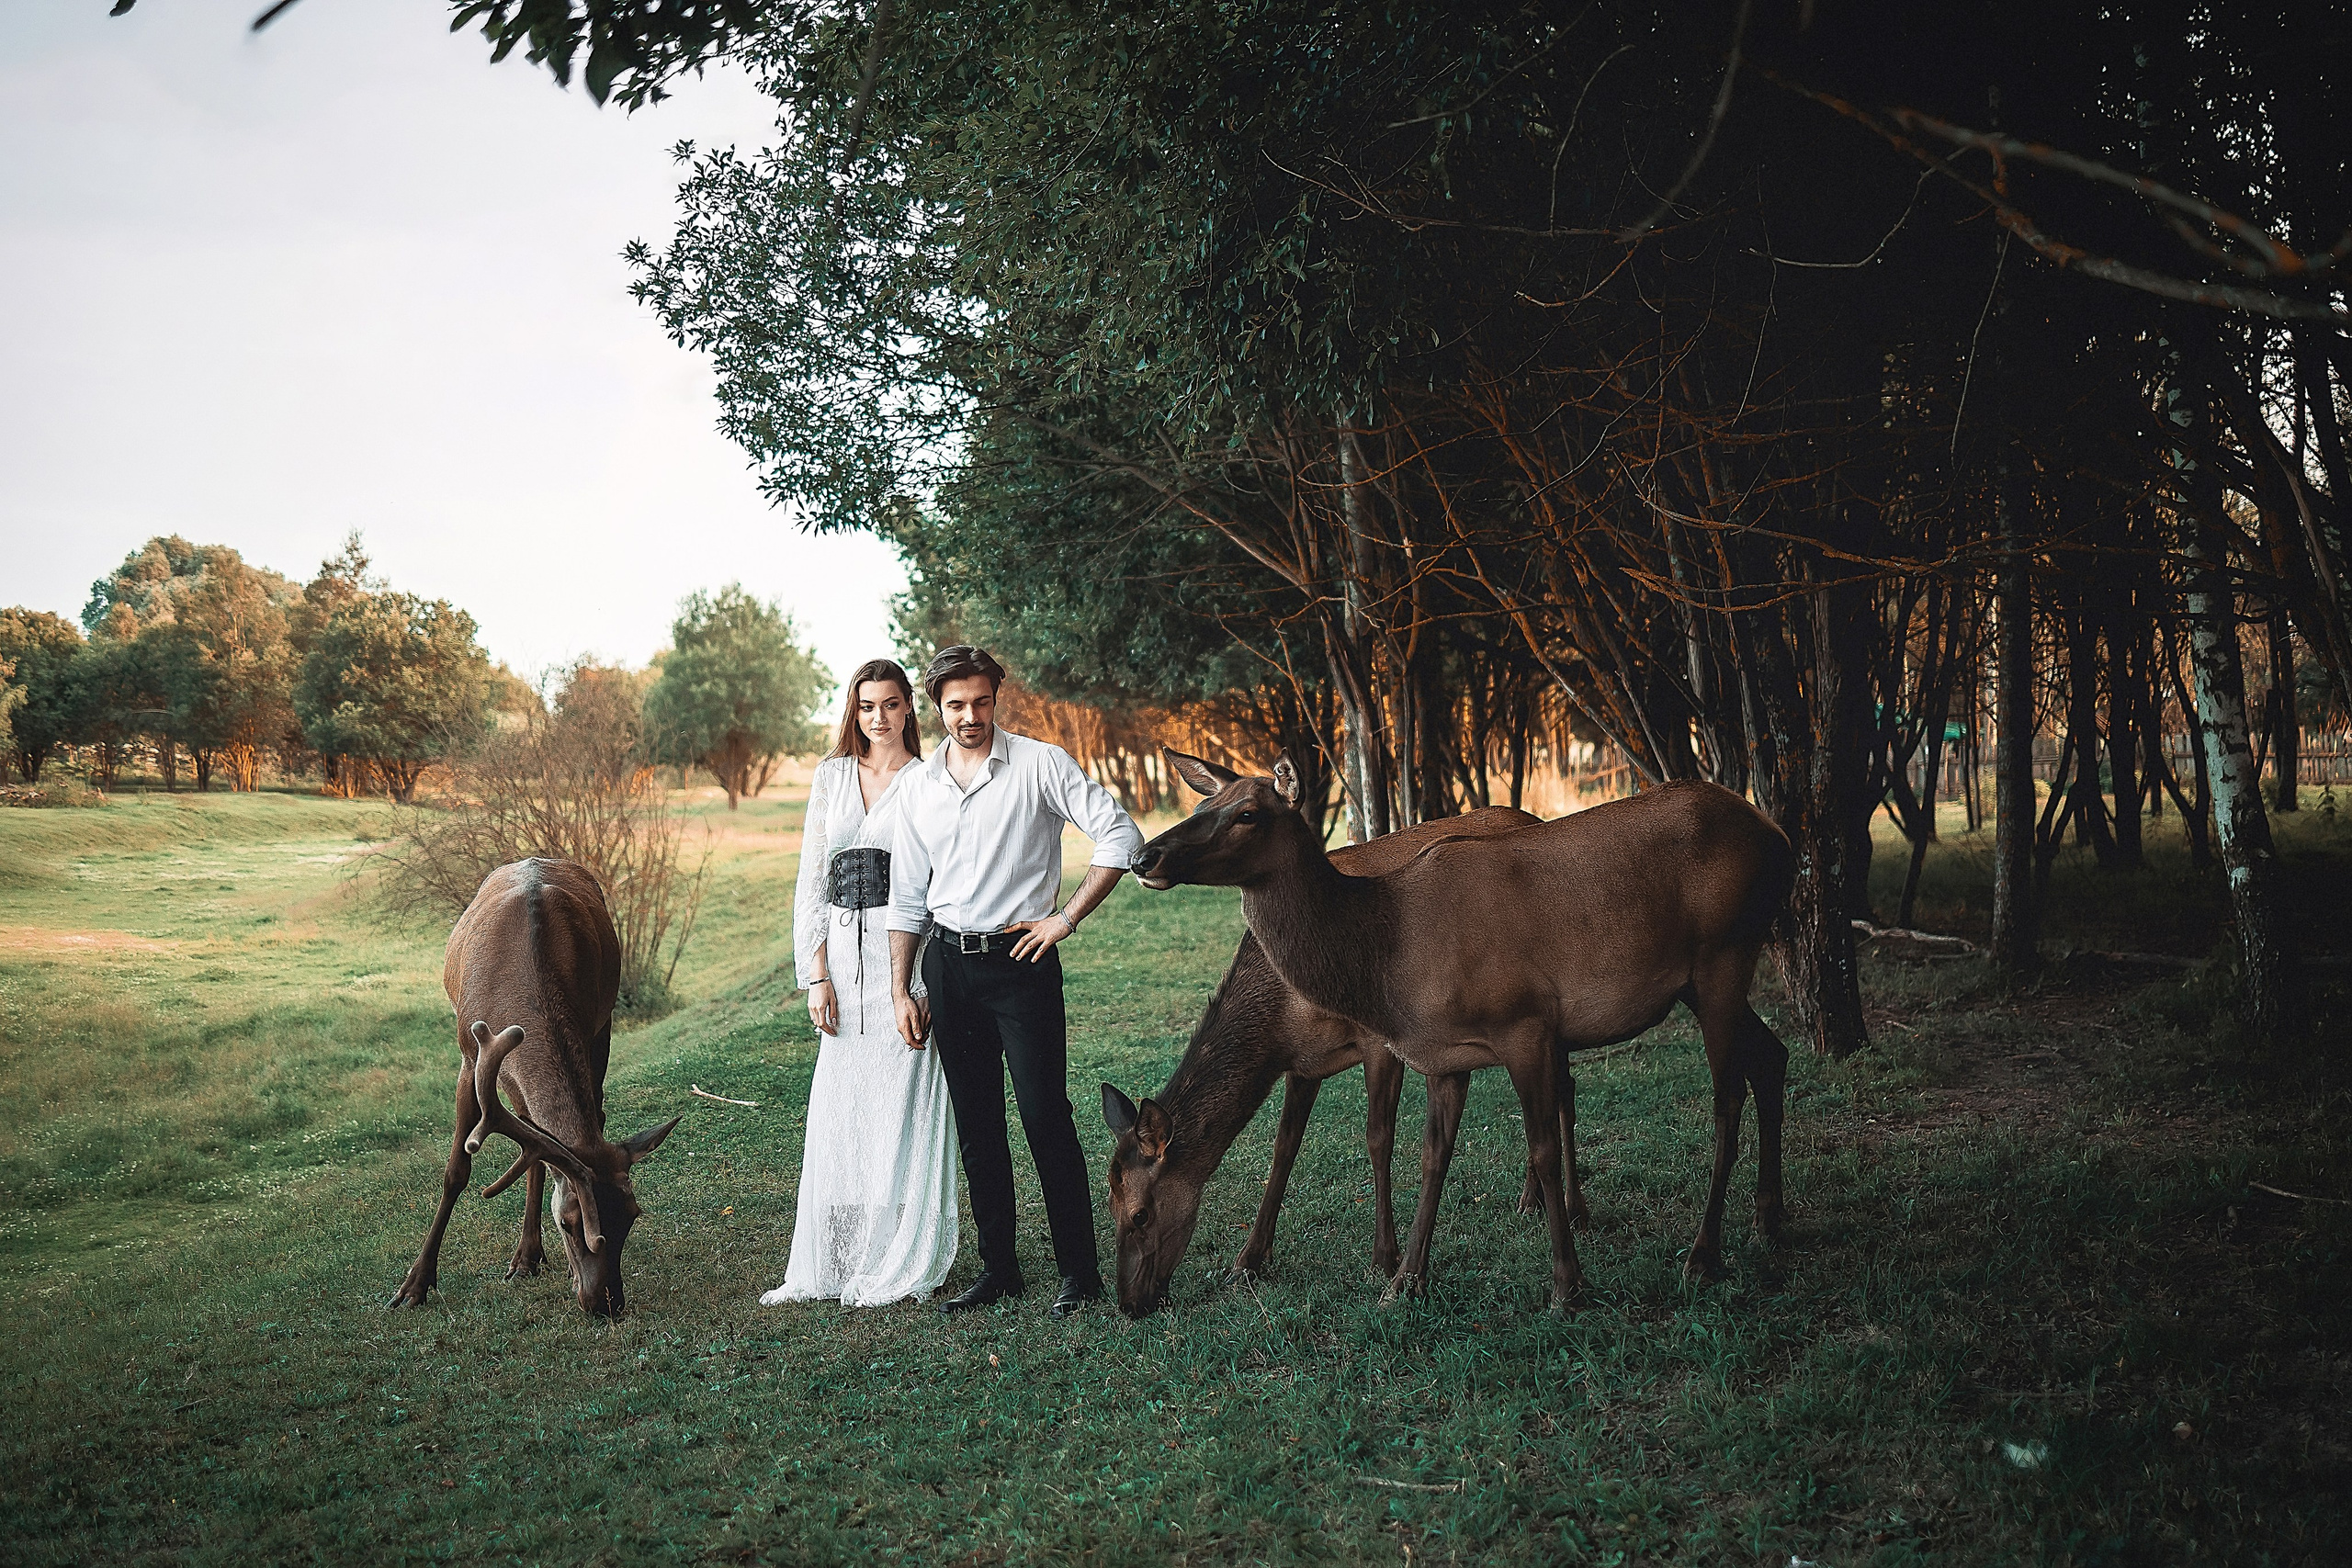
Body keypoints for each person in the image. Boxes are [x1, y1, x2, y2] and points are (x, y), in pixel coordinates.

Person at [887, 646, 1144, 1317]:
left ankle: (1078, 1273)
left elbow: (1119, 836)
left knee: (1042, 1116)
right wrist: (901, 987)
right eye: (955, 705)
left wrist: (1065, 918)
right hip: (947, 964)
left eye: (980, 702)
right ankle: (1000, 1268)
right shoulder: (919, 787)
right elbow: (908, 895)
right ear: (936, 707)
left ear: (997, 697)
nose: (969, 716)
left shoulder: (1040, 764)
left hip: (1022, 962)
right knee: (976, 1123)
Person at [761, 659, 958, 1307]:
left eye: (891, 704)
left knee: (899, 1099)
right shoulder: (832, 776)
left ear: (909, 709)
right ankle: (832, 1258)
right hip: (842, 962)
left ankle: (895, 1249)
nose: (879, 717)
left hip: (906, 954)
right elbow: (810, 879)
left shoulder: (929, 779)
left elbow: (937, 874)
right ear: (855, 710)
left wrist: (917, 978)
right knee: (844, 1105)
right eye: (867, 705)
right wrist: (816, 974)